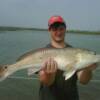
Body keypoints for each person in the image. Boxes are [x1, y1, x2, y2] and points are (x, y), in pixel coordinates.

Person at [38, 15, 97, 100]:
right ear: (49, 30)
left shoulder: (75, 52)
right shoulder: (42, 52)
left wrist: (88, 69)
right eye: (54, 29)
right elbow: (46, 82)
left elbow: (84, 81)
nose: (58, 32)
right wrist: (49, 74)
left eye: (61, 29)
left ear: (65, 29)